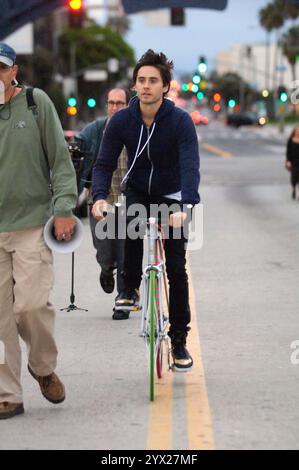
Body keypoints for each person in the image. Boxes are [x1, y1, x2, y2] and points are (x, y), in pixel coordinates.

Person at [92, 50, 200, 371]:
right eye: (141, 80)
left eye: (153, 80)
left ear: (166, 86)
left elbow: (191, 165)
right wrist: (99, 197)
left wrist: (188, 205)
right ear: (135, 84)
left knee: (176, 268)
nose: (146, 86)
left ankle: (179, 340)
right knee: (131, 224)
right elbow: (104, 162)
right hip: (138, 189)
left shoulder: (179, 121)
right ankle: (129, 290)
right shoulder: (123, 120)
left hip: (172, 195)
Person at [0, 43, 78, 419]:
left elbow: (60, 161)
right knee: (0, 320)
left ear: (13, 71)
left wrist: (64, 208)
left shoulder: (35, 103)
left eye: (0, 69)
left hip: (31, 224)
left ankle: (42, 367)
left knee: (30, 306)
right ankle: (9, 394)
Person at [76, 88, 130, 319]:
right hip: (100, 203)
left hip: (129, 204)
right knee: (105, 253)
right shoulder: (95, 131)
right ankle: (106, 270)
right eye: (111, 103)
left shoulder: (136, 131)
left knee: (126, 254)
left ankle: (122, 301)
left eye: (120, 103)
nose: (115, 107)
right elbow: (76, 157)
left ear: (128, 105)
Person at [286, 126, 299, 200]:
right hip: (294, 161)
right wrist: (288, 161)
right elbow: (288, 152)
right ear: (294, 132)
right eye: (297, 131)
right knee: (294, 177)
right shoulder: (290, 140)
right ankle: (293, 188)